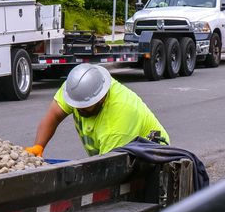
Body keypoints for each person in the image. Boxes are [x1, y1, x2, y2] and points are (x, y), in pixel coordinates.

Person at [25, 64, 169, 157]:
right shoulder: (76, 88)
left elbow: (108, 169)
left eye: (85, 106)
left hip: (151, 156)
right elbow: (53, 116)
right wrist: (39, 146)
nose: (79, 108)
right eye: (76, 105)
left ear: (101, 98)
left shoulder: (118, 120)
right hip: (112, 152)